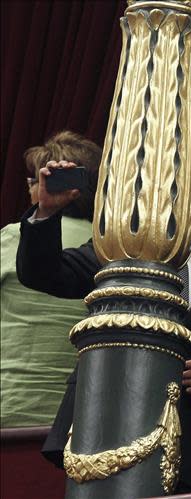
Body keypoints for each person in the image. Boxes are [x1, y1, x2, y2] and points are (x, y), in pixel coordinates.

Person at [15, 157, 191, 493]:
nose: (167, 188)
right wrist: (46, 212)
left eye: (182, 180)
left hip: (190, 450)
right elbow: (42, 273)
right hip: (101, 429)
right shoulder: (120, 250)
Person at [1, 130, 100, 428]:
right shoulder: (110, 246)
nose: (32, 190)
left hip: (8, 404)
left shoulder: (13, 238)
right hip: (74, 418)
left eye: (35, 182)